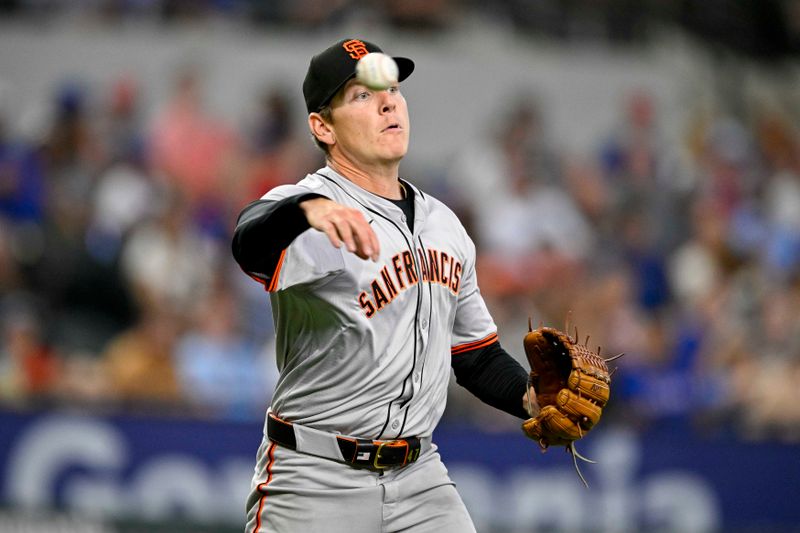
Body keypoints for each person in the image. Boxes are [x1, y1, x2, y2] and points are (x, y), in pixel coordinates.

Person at [232, 38, 538, 533]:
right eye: (361, 95)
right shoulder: (310, 208)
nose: (388, 102)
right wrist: (306, 211)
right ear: (322, 126)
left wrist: (531, 398)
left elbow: (473, 355)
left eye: (392, 88)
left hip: (421, 479)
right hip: (315, 477)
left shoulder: (445, 224)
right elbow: (249, 239)